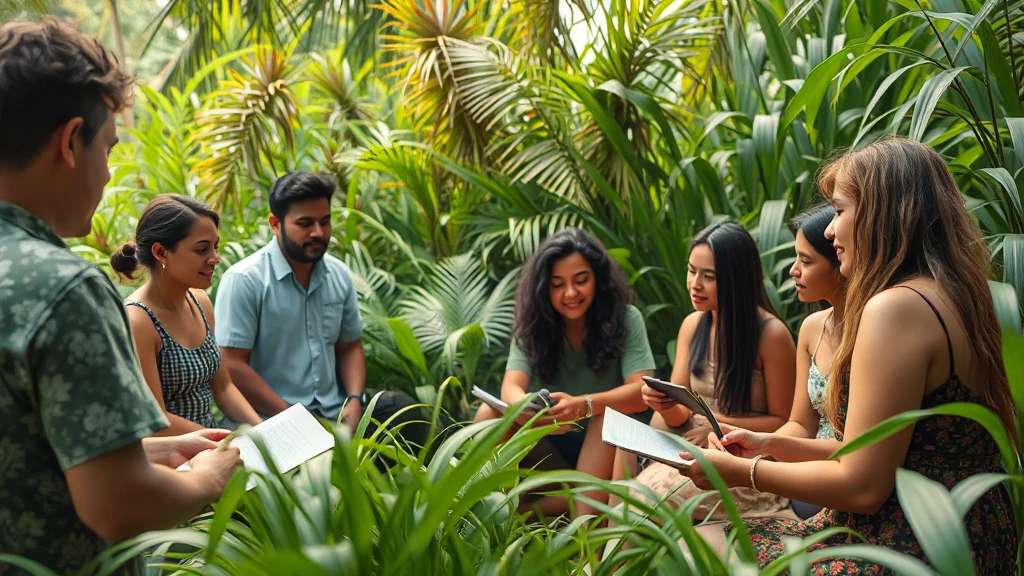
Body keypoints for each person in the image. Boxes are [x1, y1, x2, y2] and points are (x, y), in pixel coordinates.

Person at [684, 139, 1017, 574]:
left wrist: (738, 473)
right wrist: (769, 445)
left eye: (839, 211)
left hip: (908, 540)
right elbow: (880, 451)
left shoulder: (894, 308)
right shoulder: (958, 293)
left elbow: (861, 486)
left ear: (884, 213)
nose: (829, 230)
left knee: (706, 541)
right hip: (972, 525)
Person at [0, 19, 242, 574]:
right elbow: (119, 506)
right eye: (107, 148)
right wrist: (210, 475)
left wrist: (151, 451)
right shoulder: (65, 289)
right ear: (69, 142)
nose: (109, 172)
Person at [473, 227, 656, 518]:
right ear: (544, 287)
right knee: (487, 415)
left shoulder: (626, 318)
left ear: (598, 279)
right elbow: (511, 390)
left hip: (609, 453)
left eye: (581, 281)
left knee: (604, 418)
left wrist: (584, 405)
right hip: (552, 453)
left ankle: (575, 538)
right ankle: (498, 516)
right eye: (558, 284)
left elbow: (641, 392)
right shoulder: (533, 325)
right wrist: (533, 413)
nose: (570, 293)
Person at [624, 221, 797, 520]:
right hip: (692, 445)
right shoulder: (693, 325)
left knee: (639, 497)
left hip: (743, 459)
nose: (695, 284)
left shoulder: (771, 335)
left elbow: (784, 421)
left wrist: (711, 426)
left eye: (709, 276)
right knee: (624, 468)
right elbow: (680, 416)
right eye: (692, 271)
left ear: (736, 279)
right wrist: (662, 403)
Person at [214, 171, 368, 432]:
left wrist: (354, 399)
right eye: (305, 223)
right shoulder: (245, 280)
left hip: (335, 415)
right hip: (269, 421)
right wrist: (292, 417)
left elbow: (350, 346)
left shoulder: (338, 274)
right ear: (275, 224)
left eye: (325, 221)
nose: (318, 232)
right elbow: (231, 363)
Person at [110, 195, 262, 434]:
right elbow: (157, 419)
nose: (215, 258)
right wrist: (224, 442)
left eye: (215, 247)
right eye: (202, 249)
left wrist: (263, 433)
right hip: (175, 456)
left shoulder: (199, 301)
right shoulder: (138, 321)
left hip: (213, 443)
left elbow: (224, 388)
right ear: (161, 252)